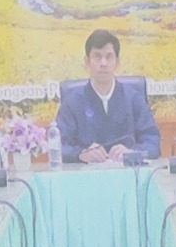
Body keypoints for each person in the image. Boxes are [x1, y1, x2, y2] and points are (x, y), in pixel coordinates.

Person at [55, 30, 160, 163]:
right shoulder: (72, 102)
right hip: (86, 174)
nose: (103, 63)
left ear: (117, 61)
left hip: (127, 173)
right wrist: (80, 154)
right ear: (87, 61)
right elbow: (58, 147)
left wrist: (133, 153)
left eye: (109, 56)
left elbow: (153, 143)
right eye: (97, 56)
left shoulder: (133, 99)